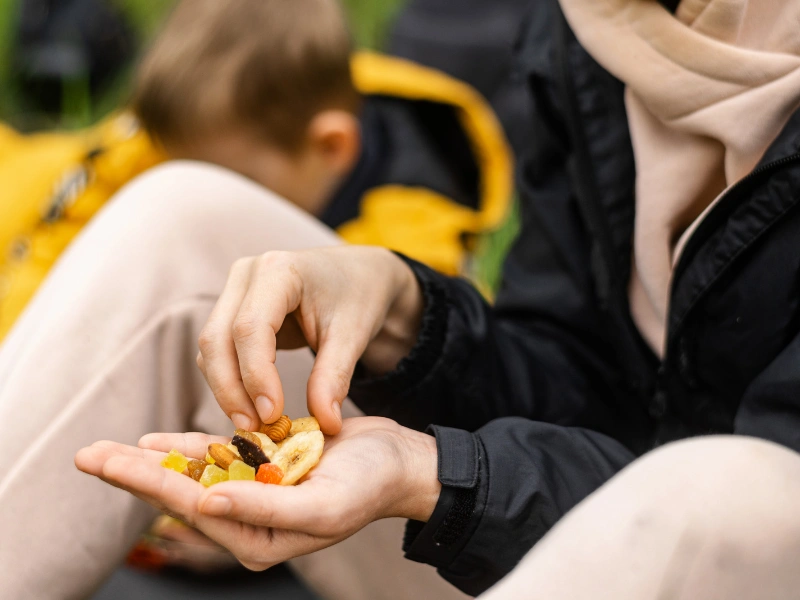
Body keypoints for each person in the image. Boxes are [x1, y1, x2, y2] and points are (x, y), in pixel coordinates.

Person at [77, 0, 800, 597]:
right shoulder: (596, 25)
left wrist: (436, 477)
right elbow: (577, 380)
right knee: (182, 212)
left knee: (725, 488)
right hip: (537, 541)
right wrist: (404, 309)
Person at [0, 0, 519, 598]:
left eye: (236, 184)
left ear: (331, 147)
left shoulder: (410, 217)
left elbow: (449, 365)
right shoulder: (193, 125)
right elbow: (59, 209)